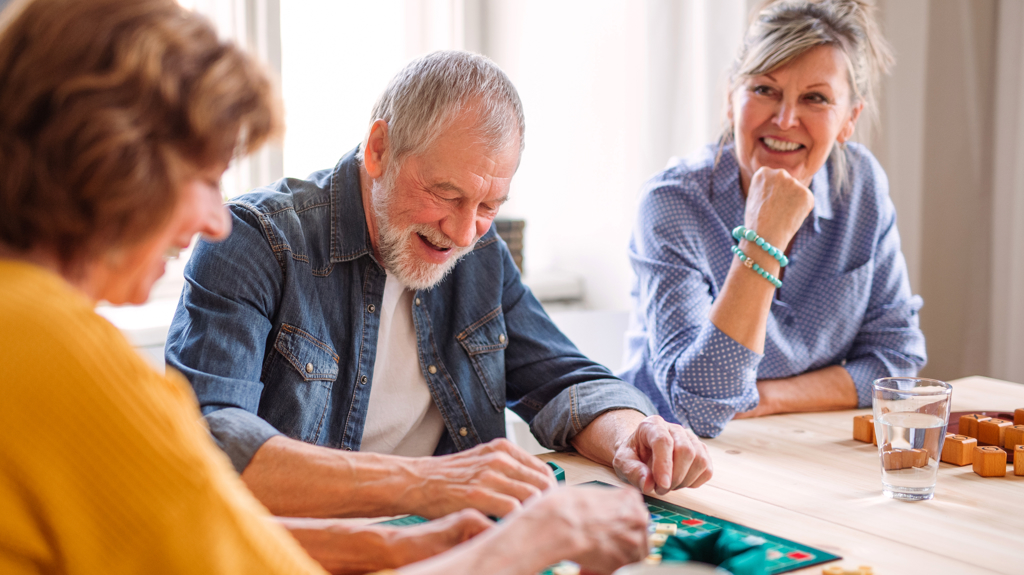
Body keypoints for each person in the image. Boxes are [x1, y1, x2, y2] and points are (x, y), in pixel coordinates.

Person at [0, 1, 653, 573]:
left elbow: (221, 540)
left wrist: (397, 547)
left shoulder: (29, 319)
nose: (212, 217)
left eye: (485, 206)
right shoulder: (60, 348)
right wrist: (517, 541)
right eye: (203, 177)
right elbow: (219, 490)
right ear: (111, 160)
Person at [165, 50, 713, 523]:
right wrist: (429, 484)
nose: (463, 231)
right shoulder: (253, 240)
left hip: (447, 539)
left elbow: (562, 379)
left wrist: (632, 435)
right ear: (378, 148)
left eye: (488, 206)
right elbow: (214, 442)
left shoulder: (481, 252)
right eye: (446, 195)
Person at [619, 0, 927, 438]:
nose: (785, 120)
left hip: (789, 440)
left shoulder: (860, 186)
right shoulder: (673, 202)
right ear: (731, 97)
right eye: (765, 89)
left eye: (815, 98)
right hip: (665, 453)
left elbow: (897, 362)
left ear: (848, 120)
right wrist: (763, 238)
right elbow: (700, 409)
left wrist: (769, 396)